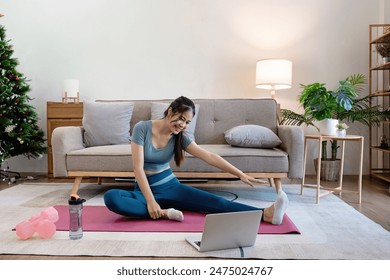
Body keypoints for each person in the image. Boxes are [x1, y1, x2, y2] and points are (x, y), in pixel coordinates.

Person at [104, 96, 288, 225]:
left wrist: (240, 174)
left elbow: (209, 156)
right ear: (170, 111)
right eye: (180, 119)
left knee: (214, 202)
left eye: (187, 122)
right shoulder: (142, 128)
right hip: (144, 190)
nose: (182, 125)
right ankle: (164, 212)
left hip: (171, 188)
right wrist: (151, 201)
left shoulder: (179, 137)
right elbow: (137, 168)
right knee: (112, 198)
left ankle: (266, 214)